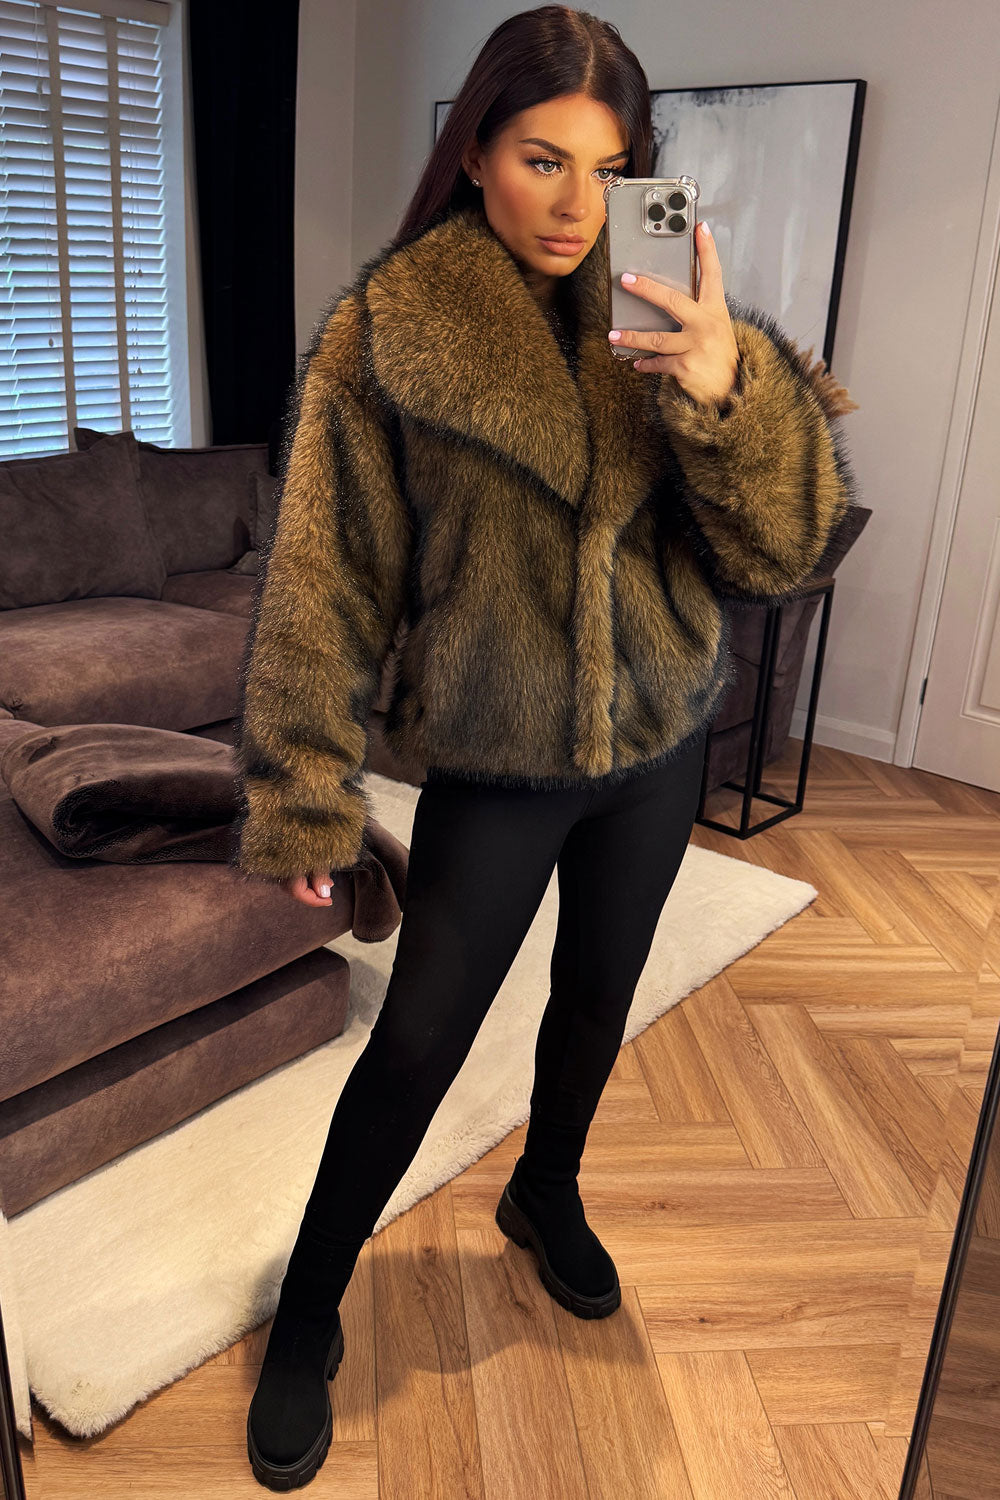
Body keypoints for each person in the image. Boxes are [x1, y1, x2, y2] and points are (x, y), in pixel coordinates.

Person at [232, 5, 860, 1489]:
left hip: (657, 740)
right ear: (473, 151)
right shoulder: (389, 334)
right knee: (418, 1039)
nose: (579, 203)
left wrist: (726, 393)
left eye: (612, 166)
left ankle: (547, 1194)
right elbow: (322, 578)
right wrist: (305, 787)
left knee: (597, 1000)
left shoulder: (670, 316)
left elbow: (784, 552)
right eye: (540, 157)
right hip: (501, 761)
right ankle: (309, 1308)